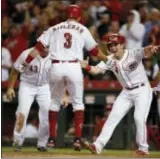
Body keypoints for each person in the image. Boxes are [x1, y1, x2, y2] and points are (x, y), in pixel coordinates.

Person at [21, 4, 107, 151]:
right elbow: (94, 52)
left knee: (54, 103)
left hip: (56, 66)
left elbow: (38, 48)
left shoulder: (54, 28)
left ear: (66, 15)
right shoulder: (83, 29)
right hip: (74, 66)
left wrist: (25, 64)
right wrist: (108, 59)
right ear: (79, 16)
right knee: (78, 104)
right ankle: (77, 140)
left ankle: (51, 140)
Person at [80, 33, 160, 156]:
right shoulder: (109, 59)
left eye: (115, 44)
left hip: (142, 90)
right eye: (110, 45)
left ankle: (143, 148)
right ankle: (97, 145)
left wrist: (151, 48)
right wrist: (86, 67)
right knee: (112, 118)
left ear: (122, 44)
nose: (113, 47)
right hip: (126, 92)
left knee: (139, 118)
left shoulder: (133, 53)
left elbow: (146, 51)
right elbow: (96, 70)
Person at [6, 47, 52, 152]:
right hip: (27, 85)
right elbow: (15, 70)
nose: (46, 48)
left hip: (45, 86)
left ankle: (42, 143)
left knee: (47, 113)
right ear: (39, 43)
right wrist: (10, 88)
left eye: (49, 45)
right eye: (44, 45)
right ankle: (17, 141)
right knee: (22, 112)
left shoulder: (55, 55)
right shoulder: (27, 54)